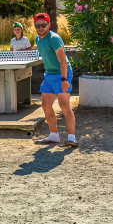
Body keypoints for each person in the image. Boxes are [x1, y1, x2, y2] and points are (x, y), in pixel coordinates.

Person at [31, 12, 77, 148]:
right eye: (37, 25)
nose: (40, 27)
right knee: (45, 105)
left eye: (43, 25)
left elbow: (63, 61)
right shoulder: (37, 39)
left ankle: (72, 138)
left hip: (62, 74)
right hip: (49, 75)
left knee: (64, 105)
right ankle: (54, 136)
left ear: (48, 25)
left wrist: (64, 79)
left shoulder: (54, 38)